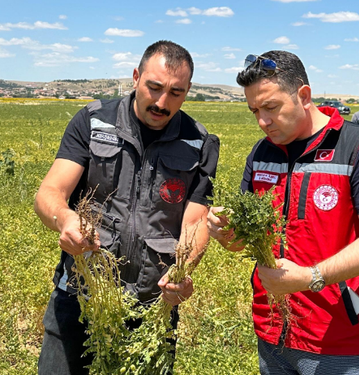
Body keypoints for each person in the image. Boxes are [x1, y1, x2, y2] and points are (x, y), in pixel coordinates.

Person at [34, 40, 220, 374]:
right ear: (136, 77)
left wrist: (183, 271)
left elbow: (195, 222)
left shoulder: (199, 143)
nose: (162, 103)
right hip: (80, 294)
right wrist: (65, 219)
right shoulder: (93, 122)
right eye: (154, 87)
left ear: (188, 90)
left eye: (176, 93)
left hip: (152, 303)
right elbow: (51, 191)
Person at [207, 51, 359, 375]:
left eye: (271, 107)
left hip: (335, 338)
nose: (262, 121)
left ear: (303, 95)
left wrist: (311, 278)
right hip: (271, 331)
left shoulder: (358, 146)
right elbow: (243, 242)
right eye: (254, 110)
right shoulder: (261, 152)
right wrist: (225, 232)